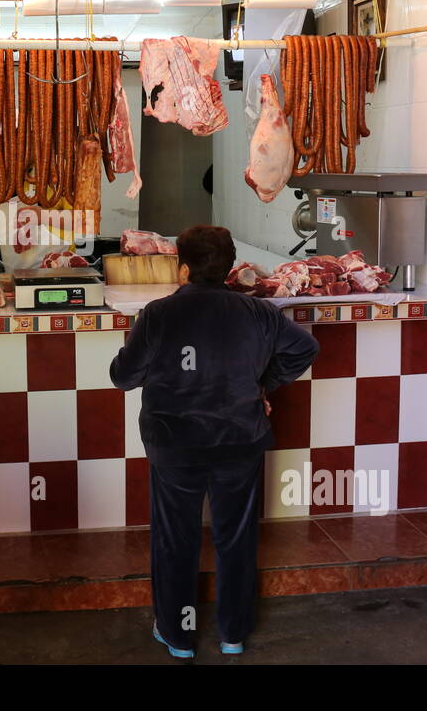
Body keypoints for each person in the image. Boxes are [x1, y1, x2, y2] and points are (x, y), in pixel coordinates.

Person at [109, 224, 319, 659]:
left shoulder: (158, 314)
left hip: (175, 444)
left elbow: (122, 377)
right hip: (239, 441)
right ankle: (233, 634)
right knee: (236, 537)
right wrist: (265, 385)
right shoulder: (257, 313)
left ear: (182, 268)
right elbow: (304, 349)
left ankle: (178, 635)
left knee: (175, 539)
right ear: (228, 268)